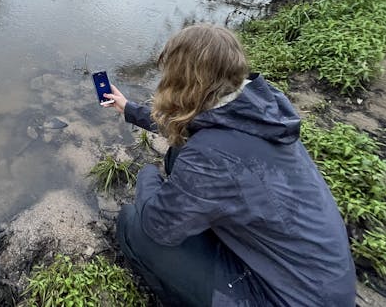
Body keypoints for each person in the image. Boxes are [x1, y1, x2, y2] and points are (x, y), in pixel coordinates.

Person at [103, 23, 355, 307]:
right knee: (177, 153)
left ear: (184, 78)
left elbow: (157, 226)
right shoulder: (256, 111)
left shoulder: (212, 156)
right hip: (318, 280)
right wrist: (129, 108)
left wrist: (148, 178)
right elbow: (186, 123)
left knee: (132, 223)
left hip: (283, 298)